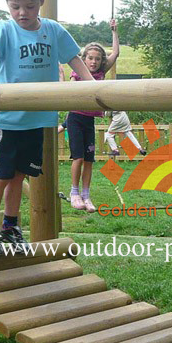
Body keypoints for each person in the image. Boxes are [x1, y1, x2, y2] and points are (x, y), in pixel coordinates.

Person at [0, 0, 94, 253]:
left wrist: (91, 87)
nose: (22, 13)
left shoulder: (52, 30)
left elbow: (74, 59)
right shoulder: (4, 30)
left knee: (18, 175)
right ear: (8, 5)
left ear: (40, 2)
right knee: (0, 175)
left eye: (29, 6)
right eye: (15, 7)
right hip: (6, 119)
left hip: (37, 119)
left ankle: (11, 225)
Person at [65, 19, 119, 212]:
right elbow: (71, 88)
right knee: (78, 158)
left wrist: (114, 31)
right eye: (90, 58)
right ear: (84, 59)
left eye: (97, 59)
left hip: (89, 120)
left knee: (89, 159)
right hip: (75, 118)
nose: (94, 62)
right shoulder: (78, 72)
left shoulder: (102, 72)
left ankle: (87, 196)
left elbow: (116, 54)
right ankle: (74, 192)